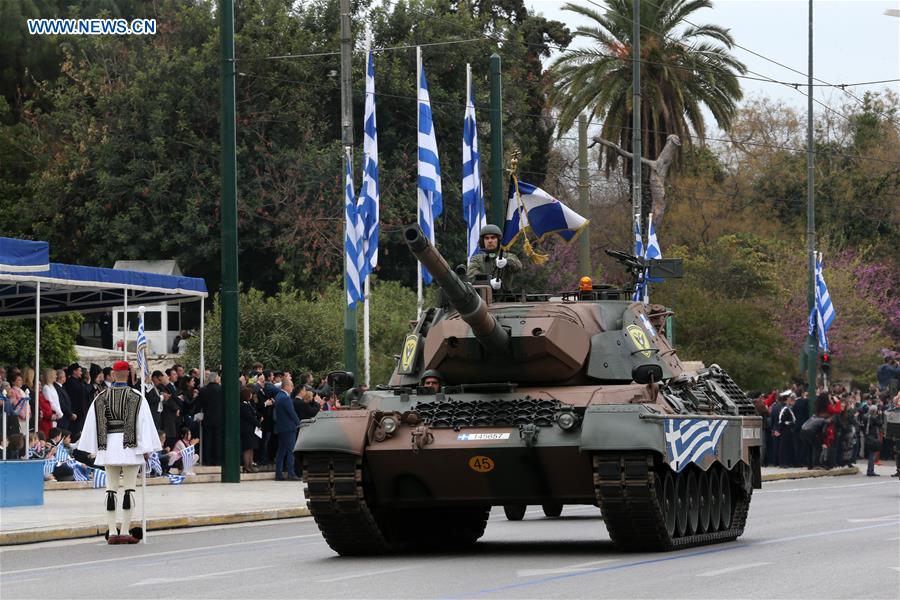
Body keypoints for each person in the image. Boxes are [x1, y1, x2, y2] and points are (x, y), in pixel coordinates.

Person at [77, 360, 161, 544]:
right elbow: (144, 424)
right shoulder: (137, 396)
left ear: (113, 374)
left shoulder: (100, 397)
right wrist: (146, 448)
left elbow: (92, 424)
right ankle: (124, 530)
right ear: (129, 375)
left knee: (111, 489)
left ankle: (113, 530)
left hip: (108, 446)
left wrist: (95, 448)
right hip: (130, 447)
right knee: (129, 487)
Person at [466, 224, 523, 291]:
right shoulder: (476, 259)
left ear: (498, 240)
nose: (490, 241)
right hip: (483, 297)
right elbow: (471, 276)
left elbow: (518, 266)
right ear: (483, 241)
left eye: (493, 238)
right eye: (486, 238)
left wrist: (506, 262)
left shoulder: (507, 256)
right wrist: (488, 282)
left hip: (504, 297)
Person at [273, 378, 300, 481]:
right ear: (286, 386)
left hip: (281, 428)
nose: (292, 388)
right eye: (291, 386)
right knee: (291, 451)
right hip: (288, 428)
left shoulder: (279, 396)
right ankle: (291, 474)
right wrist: (299, 423)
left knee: (281, 451)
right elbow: (291, 413)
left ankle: (279, 474)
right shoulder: (285, 398)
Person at [239, 386, 260, 473]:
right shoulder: (243, 405)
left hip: (251, 429)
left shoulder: (248, 404)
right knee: (247, 448)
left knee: (251, 448)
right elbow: (250, 417)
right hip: (247, 430)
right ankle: (246, 465)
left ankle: (250, 464)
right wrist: (257, 423)